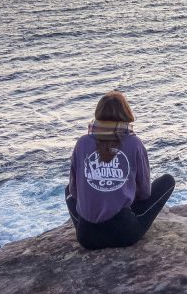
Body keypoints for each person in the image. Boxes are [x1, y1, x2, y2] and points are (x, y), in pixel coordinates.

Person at [66, 91, 175, 250]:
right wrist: (120, 195)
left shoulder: (82, 143)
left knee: (67, 190)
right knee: (168, 181)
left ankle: (87, 226)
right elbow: (144, 192)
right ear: (126, 113)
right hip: (124, 234)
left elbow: (74, 193)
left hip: (86, 237)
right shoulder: (134, 143)